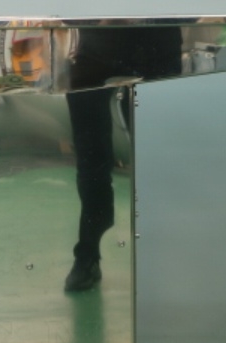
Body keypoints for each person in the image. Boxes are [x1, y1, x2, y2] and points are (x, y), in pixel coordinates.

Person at [64, 26, 182, 291]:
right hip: (96, 44)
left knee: (158, 156)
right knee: (90, 158)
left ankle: (161, 252)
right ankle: (88, 253)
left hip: (156, 41)